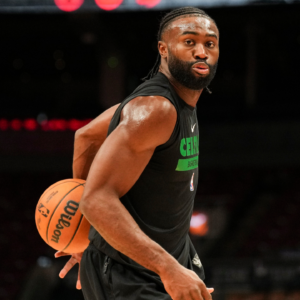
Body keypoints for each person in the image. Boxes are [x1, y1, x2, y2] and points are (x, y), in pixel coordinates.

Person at [55, 6, 219, 300]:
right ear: (164, 49)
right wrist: (169, 268)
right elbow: (95, 199)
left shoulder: (179, 102)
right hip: (127, 274)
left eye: (210, 43)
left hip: (159, 261)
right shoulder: (156, 109)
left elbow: (88, 136)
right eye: (189, 41)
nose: (201, 52)